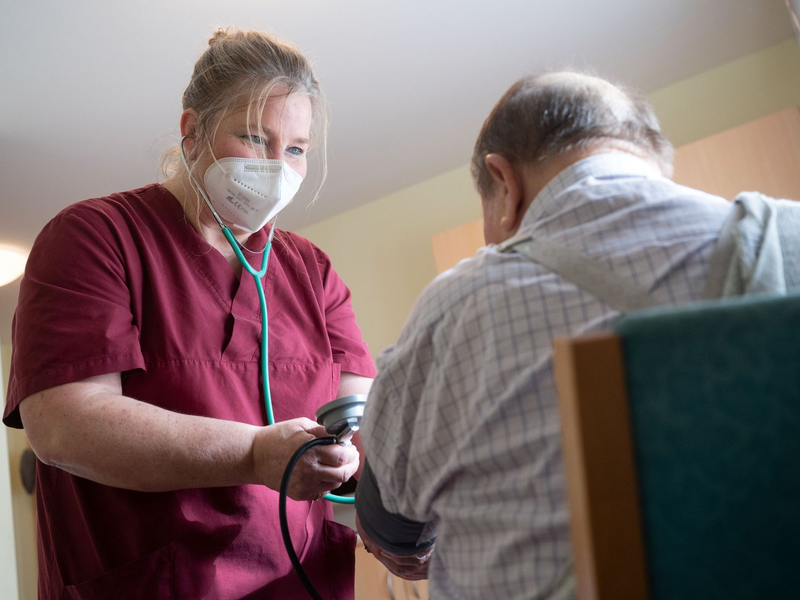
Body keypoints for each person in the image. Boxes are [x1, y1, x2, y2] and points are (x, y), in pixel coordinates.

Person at [4, 28, 375, 599]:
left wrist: (403, 513)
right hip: (151, 584)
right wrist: (254, 455)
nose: (278, 167)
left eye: (296, 149)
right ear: (192, 132)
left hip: (302, 583)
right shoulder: (94, 238)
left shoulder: (311, 271)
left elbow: (367, 417)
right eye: (255, 138)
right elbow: (62, 424)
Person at [354, 71, 741, 599]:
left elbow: (392, 534)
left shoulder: (454, 308)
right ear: (651, 157)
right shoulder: (781, 238)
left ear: (505, 184)